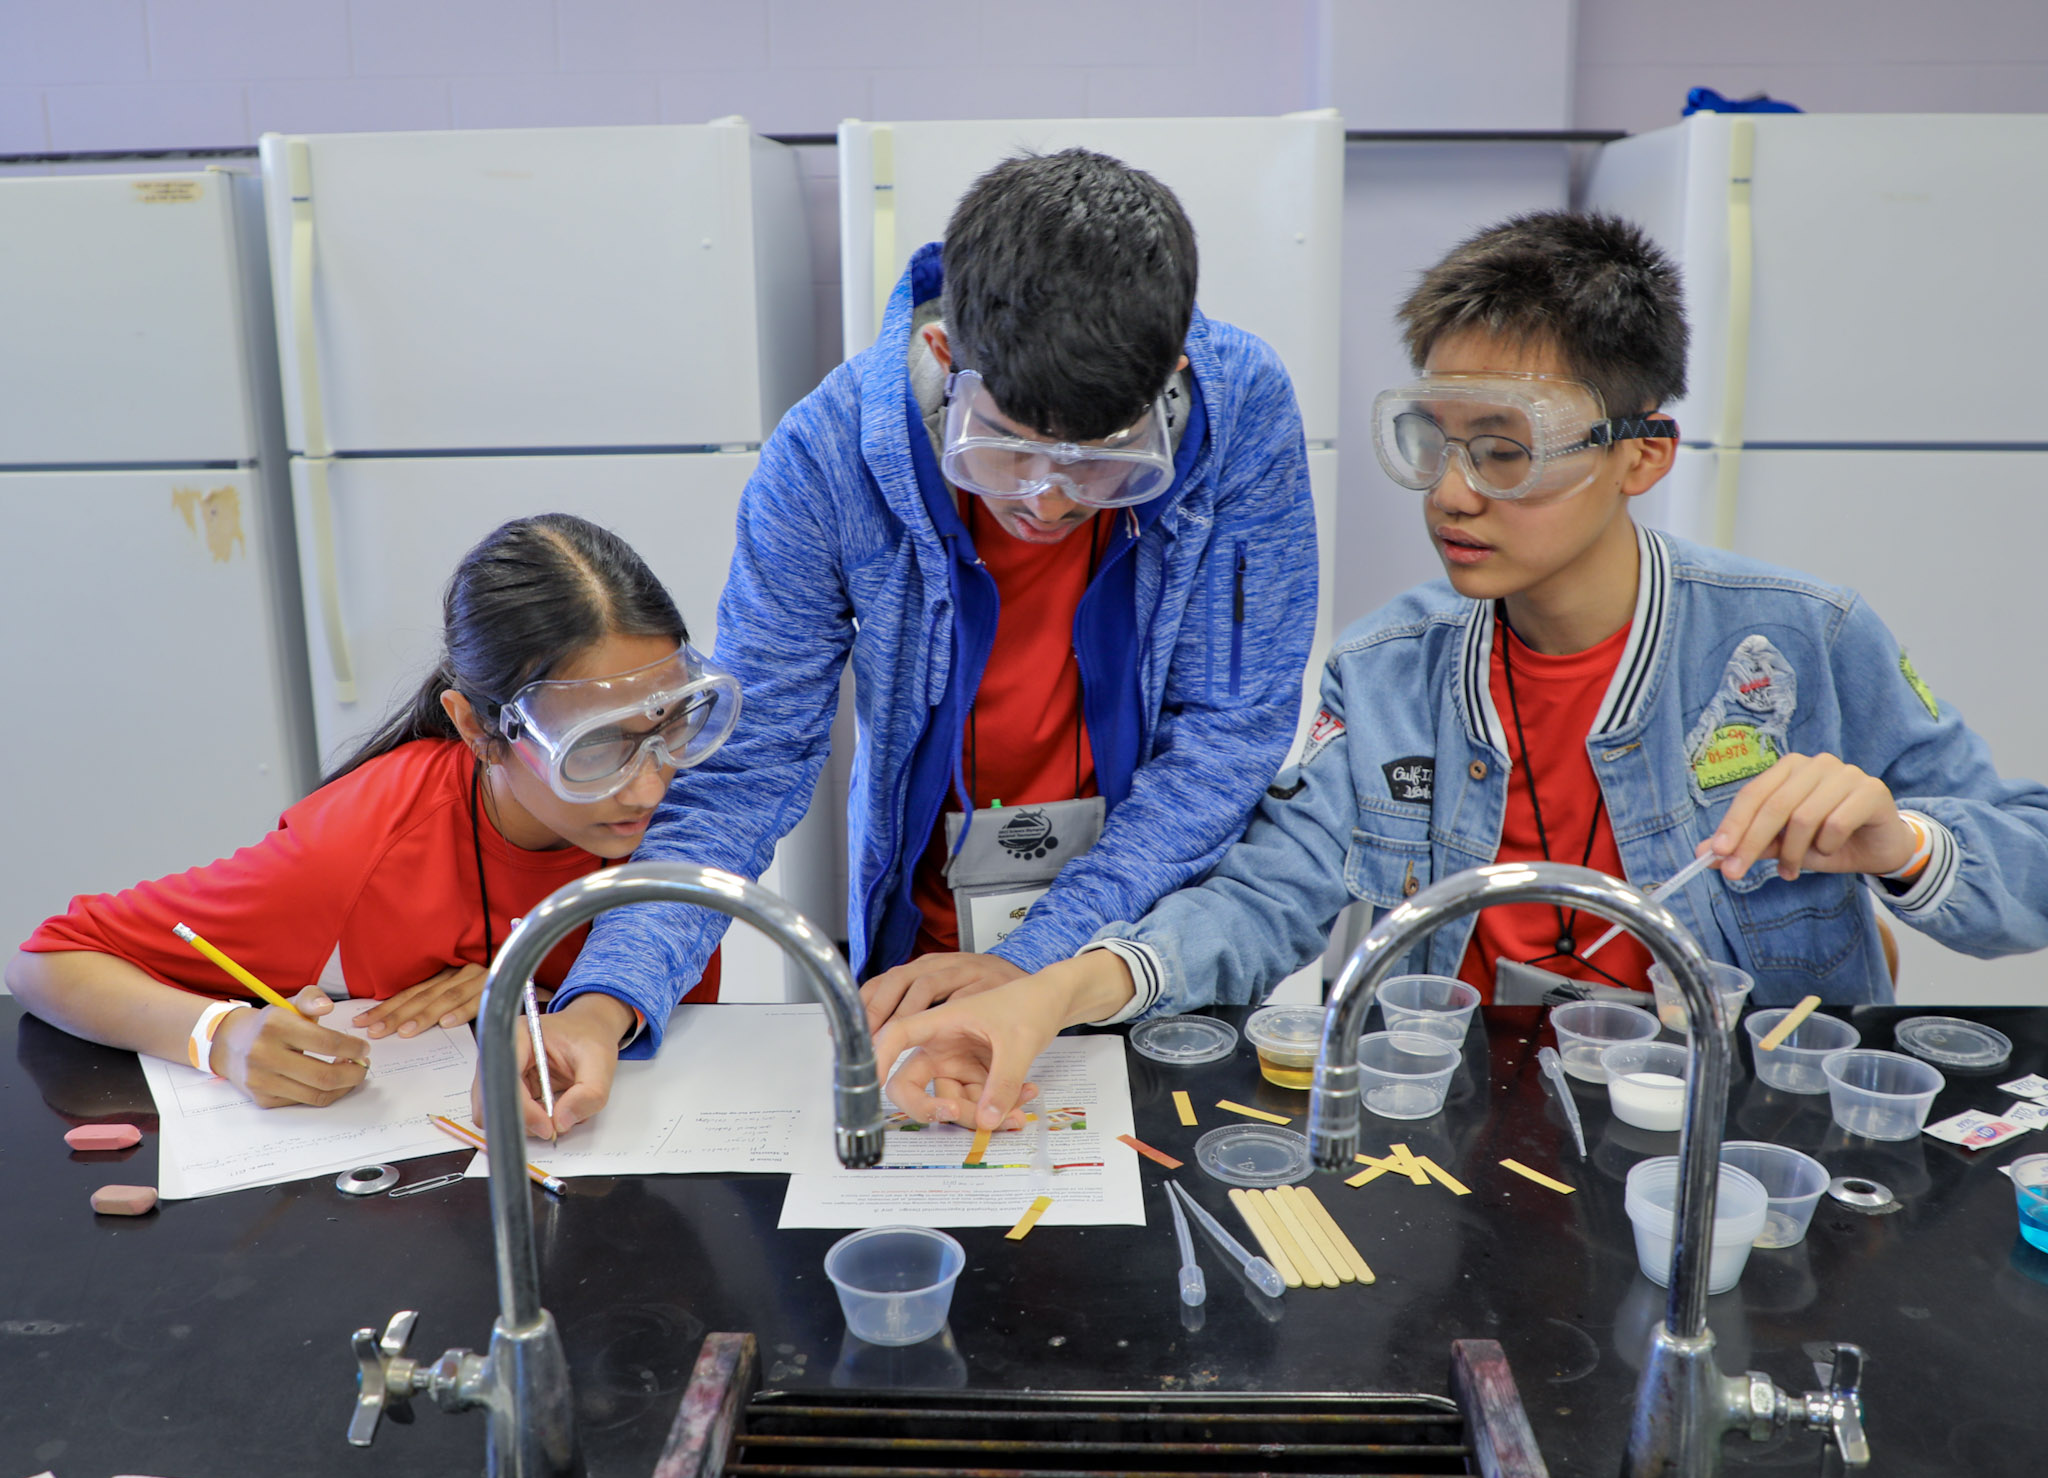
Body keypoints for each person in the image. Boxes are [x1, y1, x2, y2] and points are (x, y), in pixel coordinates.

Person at [873, 209, 2048, 1128]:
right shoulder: (1387, 673)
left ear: (1640, 455)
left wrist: (1902, 844)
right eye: (1432, 442)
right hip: (1453, 1150)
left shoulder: (1800, 641)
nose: (1448, 492)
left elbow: (2026, 858)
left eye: (1501, 451)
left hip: (1734, 1142)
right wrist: (1050, 991)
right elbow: (1260, 896)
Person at [529, 148, 1320, 1125]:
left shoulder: (1241, 411)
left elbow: (1226, 737)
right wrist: (603, 1004)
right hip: (931, 965)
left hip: (1150, 952)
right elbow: (744, 769)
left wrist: (1036, 961)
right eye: (1012, 447)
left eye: (1100, 461)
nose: (1048, 498)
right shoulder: (825, 457)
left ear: (1170, 377)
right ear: (946, 355)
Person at [9, 514, 727, 1137]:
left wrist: (522, 994)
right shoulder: (364, 840)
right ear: (476, 727)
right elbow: (48, 960)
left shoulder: (695, 806)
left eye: (670, 721)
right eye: (594, 748)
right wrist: (219, 1037)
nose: (652, 782)